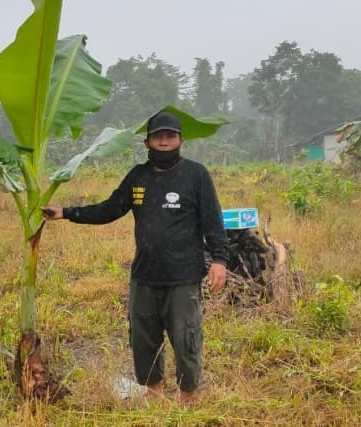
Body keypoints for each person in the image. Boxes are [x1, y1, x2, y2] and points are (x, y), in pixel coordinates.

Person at [43, 111, 228, 406]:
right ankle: (153, 399)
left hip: (183, 278)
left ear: (180, 140)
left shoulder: (196, 175)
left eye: (170, 136)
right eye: (158, 136)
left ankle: (188, 400)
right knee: (144, 342)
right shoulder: (137, 177)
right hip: (144, 278)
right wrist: (67, 213)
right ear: (147, 142)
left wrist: (219, 260)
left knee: (186, 341)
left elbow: (213, 222)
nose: (164, 141)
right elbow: (109, 209)